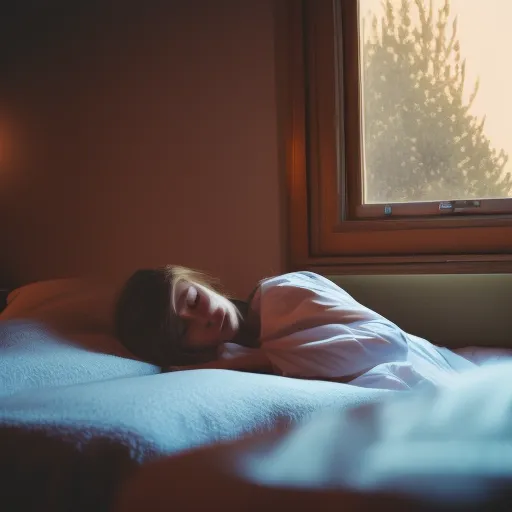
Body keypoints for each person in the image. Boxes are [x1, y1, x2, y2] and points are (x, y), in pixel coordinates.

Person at [115, 265, 495, 388]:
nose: (205, 317)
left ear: (199, 283)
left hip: (448, 372)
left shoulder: (283, 295)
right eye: (186, 330)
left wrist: (256, 360)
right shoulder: (233, 359)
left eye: (194, 300)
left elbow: (388, 344)